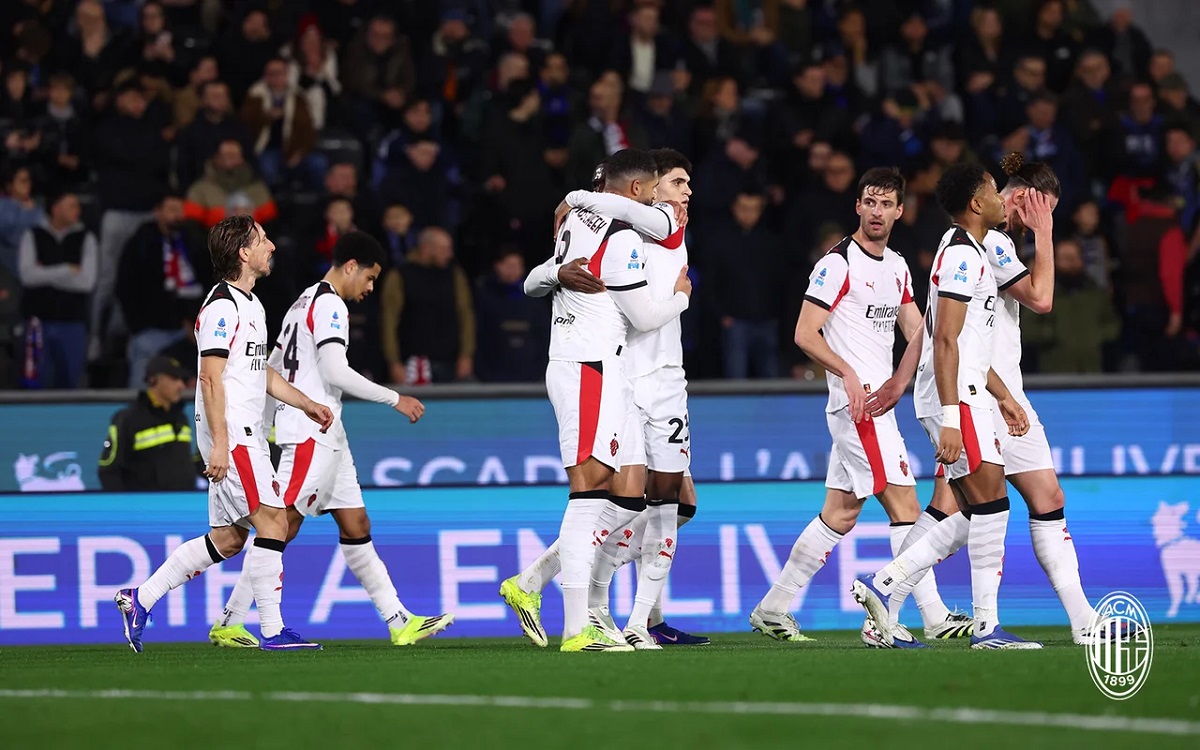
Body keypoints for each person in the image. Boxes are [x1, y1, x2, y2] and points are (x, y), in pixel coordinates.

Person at [872, 157, 1104, 645]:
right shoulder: (990, 243)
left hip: (992, 389)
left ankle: (1081, 620)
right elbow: (1039, 299)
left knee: (1026, 501)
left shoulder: (978, 242)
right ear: (1020, 199)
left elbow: (941, 325)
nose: (1026, 213)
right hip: (972, 395)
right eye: (1039, 208)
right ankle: (908, 599)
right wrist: (1046, 233)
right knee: (978, 509)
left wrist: (903, 377)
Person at [745, 167, 962, 648]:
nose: (878, 211)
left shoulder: (899, 266)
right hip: (857, 407)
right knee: (905, 506)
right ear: (858, 207)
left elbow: (918, 332)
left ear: (900, 211)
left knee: (840, 514)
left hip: (878, 404)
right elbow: (804, 333)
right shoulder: (837, 264)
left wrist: (904, 380)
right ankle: (922, 615)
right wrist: (846, 373)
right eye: (870, 202)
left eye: (887, 204)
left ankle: (773, 608)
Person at [502, 151, 709, 648]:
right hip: (604, 370)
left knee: (638, 498)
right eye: (673, 183)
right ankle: (599, 620)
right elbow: (635, 311)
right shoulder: (614, 233)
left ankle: (545, 586)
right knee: (600, 494)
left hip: (625, 374)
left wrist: (572, 205)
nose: (684, 195)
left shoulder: (625, 223)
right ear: (646, 188)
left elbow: (536, 278)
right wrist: (683, 295)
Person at [208, 231, 453, 649]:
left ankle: (398, 620)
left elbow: (271, 365)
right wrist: (395, 397)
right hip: (310, 432)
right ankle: (230, 620)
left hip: (325, 427)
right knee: (279, 526)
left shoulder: (303, 300)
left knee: (355, 522)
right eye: (371, 278)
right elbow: (335, 371)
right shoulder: (329, 304)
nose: (370, 289)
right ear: (351, 265)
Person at [115, 216, 334, 653]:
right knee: (275, 520)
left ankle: (141, 598)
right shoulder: (221, 307)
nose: (272, 246)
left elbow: (257, 372)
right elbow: (210, 379)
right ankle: (273, 630)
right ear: (243, 253)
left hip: (240, 432)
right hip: (232, 432)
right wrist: (220, 442)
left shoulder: (251, 304)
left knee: (229, 539)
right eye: (263, 240)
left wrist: (305, 402)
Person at [852, 162, 1040, 650]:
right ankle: (984, 627)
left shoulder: (966, 249)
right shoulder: (962, 256)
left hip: (970, 393)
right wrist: (953, 419)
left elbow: (967, 345)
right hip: (955, 398)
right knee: (992, 506)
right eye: (995, 191)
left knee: (980, 508)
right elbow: (945, 341)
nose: (1002, 197)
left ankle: (888, 584)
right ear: (977, 203)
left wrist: (1004, 396)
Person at [17, 189, 97, 389]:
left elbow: (86, 282)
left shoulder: (86, 238)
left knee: (71, 381)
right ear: (55, 209)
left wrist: (45, 273)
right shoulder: (32, 235)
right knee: (34, 382)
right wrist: (68, 269)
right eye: (71, 206)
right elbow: (27, 276)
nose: (77, 210)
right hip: (36, 323)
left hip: (72, 323)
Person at [98, 356, 198, 491]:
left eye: (182, 380)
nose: (181, 386)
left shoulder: (181, 418)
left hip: (183, 505)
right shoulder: (129, 419)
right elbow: (109, 470)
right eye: (174, 379)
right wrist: (123, 507)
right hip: (145, 508)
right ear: (153, 379)